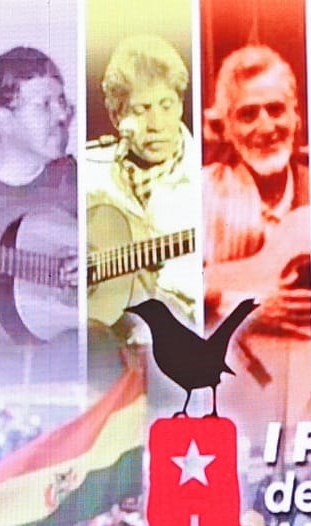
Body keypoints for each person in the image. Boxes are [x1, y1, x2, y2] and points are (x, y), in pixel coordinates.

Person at [0, 46, 80, 526]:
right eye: (46, 103)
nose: (64, 114)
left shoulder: (81, 183)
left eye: (64, 100)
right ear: (2, 117)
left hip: (76, 402)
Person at [201, 44, 311, 432]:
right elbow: (162, 293)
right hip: (231, 392)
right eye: (248, 114)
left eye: (276, 109)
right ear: (227, 127)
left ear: (296, 114)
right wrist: (245, 308)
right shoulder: (200, 195)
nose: (266, 127)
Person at [86, 34, 203, 336]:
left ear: (180, 104)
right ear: (116, 116)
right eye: (141, 110)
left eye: (166, 105)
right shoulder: (90, 171)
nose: (157, 123)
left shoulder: (210, 177)